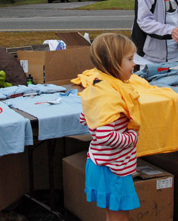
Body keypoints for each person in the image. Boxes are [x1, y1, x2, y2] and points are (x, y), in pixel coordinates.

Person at [79, 33, 141, 221]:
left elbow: (85, 118)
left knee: (112, 214)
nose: (134, 64)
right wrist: (132, 137)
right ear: (112, 62)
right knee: (119, 216)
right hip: (113, 169)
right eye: (129, 59)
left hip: (101, 164)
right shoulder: (110, 96)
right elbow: (106, 135)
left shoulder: (100, 86)